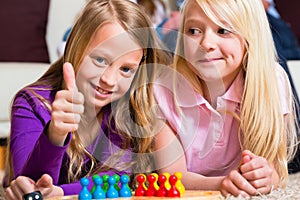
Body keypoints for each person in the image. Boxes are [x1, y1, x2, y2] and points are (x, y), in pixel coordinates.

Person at [3, 0, 171, 199]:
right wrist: (55, 134)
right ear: (75, 46)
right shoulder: (31, 103)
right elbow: (29, 186)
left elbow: (117, 178)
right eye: (100, 60)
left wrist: (61, 192)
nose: (109, 80)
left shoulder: (127, 109)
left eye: (126, 69)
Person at [153, 0, 298, 198]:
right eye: (194, 31)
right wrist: (223, 183)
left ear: (250, 35)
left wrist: (264, 176)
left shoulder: (270, 80)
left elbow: (276, 172)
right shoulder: (161, 89)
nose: (206, 44)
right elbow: (170, 177)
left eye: (223, 30)